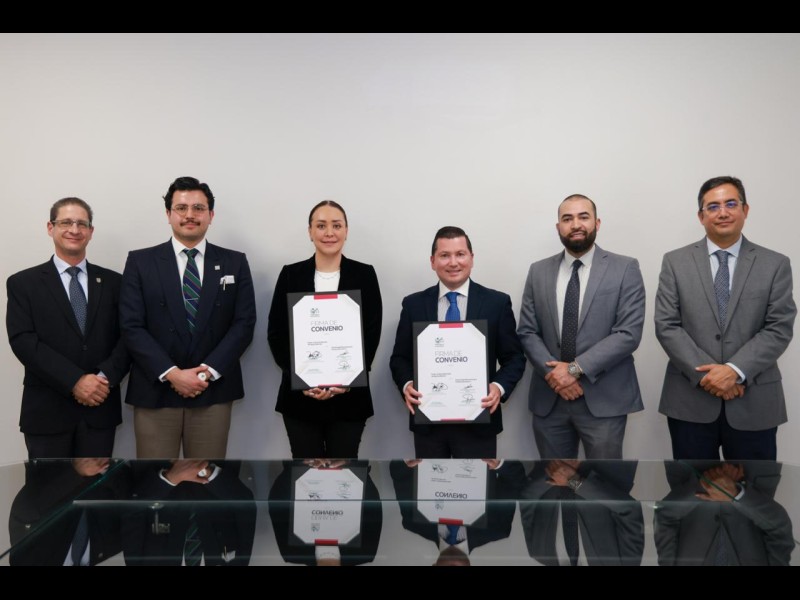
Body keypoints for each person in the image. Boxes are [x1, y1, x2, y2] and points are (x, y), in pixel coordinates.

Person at [655, 176, 796, 460]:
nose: (723, 212)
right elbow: (667, 325)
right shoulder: (675, 262)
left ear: (745, 210)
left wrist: (734, 371)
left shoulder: (775, 264)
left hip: (754, 402)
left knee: (753, 487)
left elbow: (778, 328)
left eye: (731, 204)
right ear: (701, 216)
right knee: (690, 487)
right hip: (690, 404)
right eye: (713, 206)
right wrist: (711, 377)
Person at [120, 176, 256, 459]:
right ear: (168, 214)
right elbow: (131, 326)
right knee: (155, 480)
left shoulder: (234, 262)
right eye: (181, 208)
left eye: (198, 208)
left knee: (207, 479)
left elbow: (244, 324)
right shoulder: (140, 262)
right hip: (156, 391)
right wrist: (173, 374)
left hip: (212, 390)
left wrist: (205, 373)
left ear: (211, 215)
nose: (190, 215)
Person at [517, 194, 645, 459]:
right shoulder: (538, 271)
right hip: (550, 398)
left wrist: (573, 370)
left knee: (605, 480)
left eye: (583, 217)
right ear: (558, 227)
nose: (576, 224)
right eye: (567, 219)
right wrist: (556, 377)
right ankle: (571, 484)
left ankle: (585, 485)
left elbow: (627, 334)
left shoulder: (625, 268)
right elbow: (528, 331)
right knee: (555, 477)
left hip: (604, 398)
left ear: (597, 223)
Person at [6, 197, 130, 459]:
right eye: (66, 222)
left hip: (99, 408)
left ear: (91, 231)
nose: (74, 230)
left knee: (96, 486)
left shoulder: (115, 283)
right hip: (46, 413)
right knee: (48, 486)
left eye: (82, 224)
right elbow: (23, 341)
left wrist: (102, 378)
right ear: (50, 228)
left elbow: (128, 337)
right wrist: (75, 381)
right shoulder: (23, 283)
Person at [389, 226, 525, 458]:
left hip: (479, 422)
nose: (453, 262)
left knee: (477, 483)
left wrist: (498, 388)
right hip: (428, 423)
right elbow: (399, 358)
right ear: (433, 261)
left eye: (460, 254)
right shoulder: (413, 305)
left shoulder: (497, 303)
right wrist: (407, 385)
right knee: (430, 482)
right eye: (444, 255)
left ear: (471, 258)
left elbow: (514, 358)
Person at [267, 200, 382, 459]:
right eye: (321, 226)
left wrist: (348, 379)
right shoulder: (290, 274)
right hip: (300, 400)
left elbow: (371, 333)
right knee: (306, 474)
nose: (329, 232)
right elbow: (276, 334)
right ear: (310, 232)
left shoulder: (364, 274)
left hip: (349, 400)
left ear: (346, 231)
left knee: (344, 475)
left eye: (336, 225)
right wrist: (300, 378)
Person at [519, 460, 644, 566]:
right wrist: (574, 482)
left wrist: (554, 468)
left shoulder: (539, 553)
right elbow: (629, 509)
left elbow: (527, 498)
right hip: (609, 463)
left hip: (553, 456)